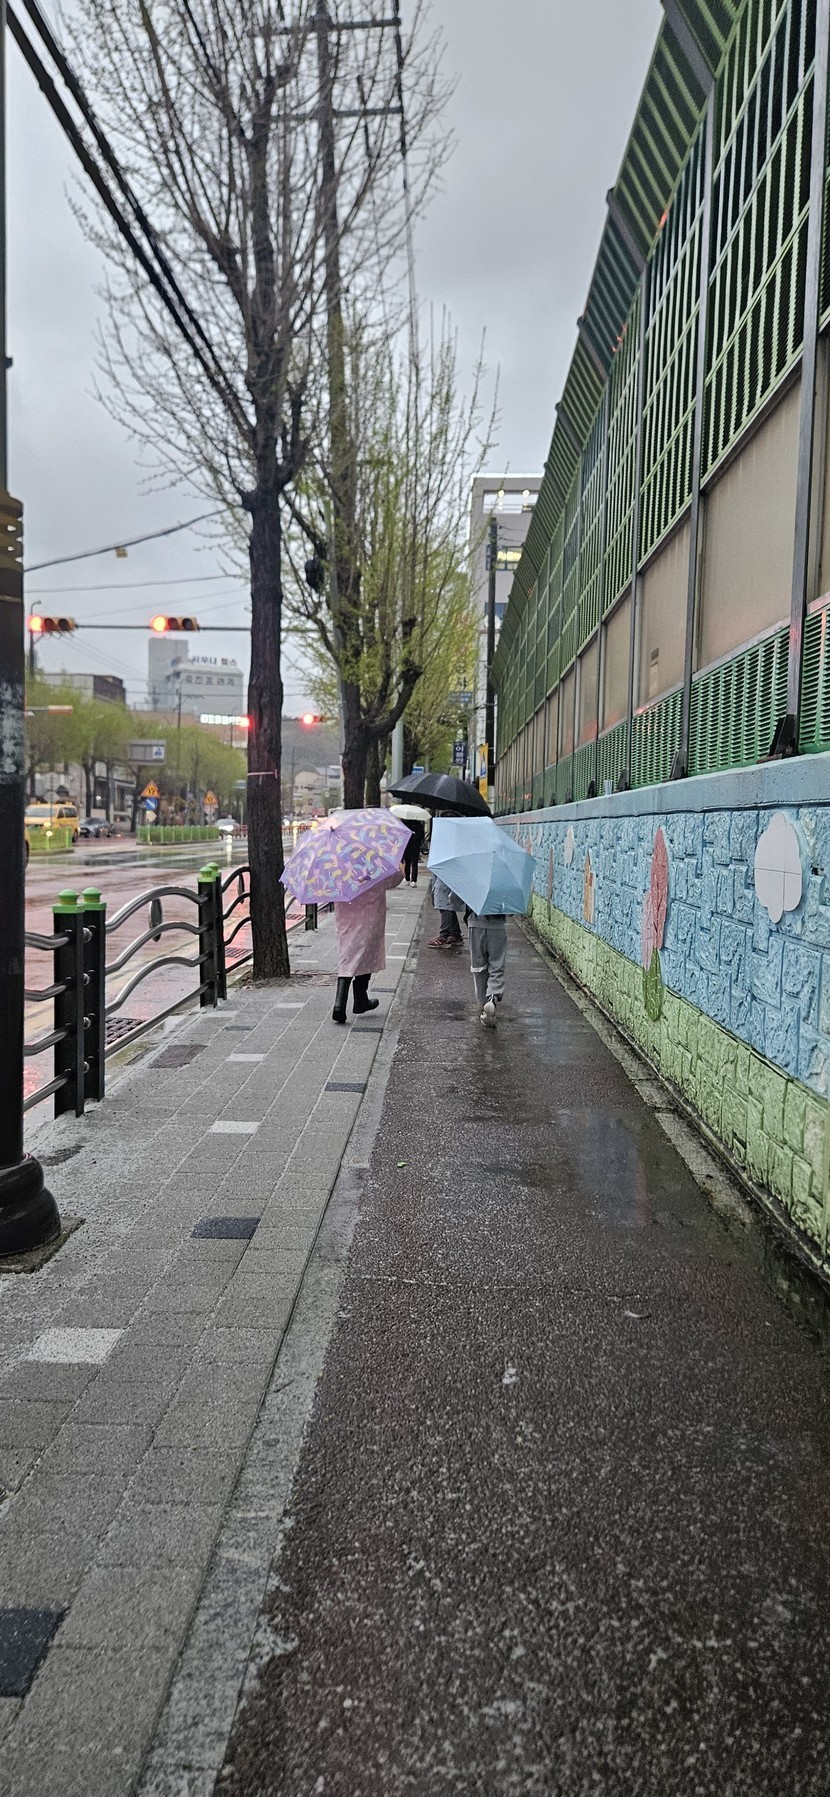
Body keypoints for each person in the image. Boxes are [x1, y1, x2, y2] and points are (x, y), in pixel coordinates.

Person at [332, 869, 403, 1024]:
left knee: (347, 955)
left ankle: (342, 1002)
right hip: (370, 915)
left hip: (345, 917)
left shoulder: (338, 865)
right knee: (367, 953)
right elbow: (396, 877)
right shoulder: (375, 863)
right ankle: (359, 999)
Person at [468, 910, 508, 1027]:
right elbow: (510, 912)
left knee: (478, 968)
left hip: (475, 927)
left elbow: (456, 902)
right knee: (496, 967)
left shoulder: (474, 896)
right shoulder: (503, 896)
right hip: (497, 928)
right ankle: (492, 997)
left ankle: (482, 1004)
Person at [428, 874, 464, 948]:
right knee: (447, 908)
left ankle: (444, 935)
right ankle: (455, 934)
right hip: (443, 879)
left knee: (445, 908)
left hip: (446, 880)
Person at [402, 817, 425, 885]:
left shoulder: (404, 824)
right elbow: (422, 836)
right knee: (414, 864)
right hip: (415, 847)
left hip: (406, 846)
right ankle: (414, 880)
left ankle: (407, 878)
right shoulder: (419, 825)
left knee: (407, 862)